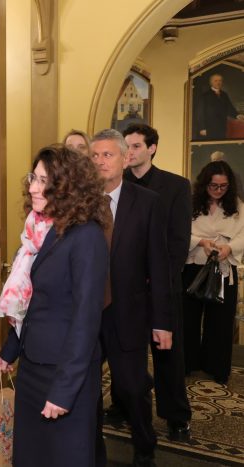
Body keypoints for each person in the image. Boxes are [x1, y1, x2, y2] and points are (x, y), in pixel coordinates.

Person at [0, 145, 110, 466]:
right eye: (33, 178)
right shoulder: (39, 230)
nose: (32, 187)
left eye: (43, 180)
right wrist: (11, 349)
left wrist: (64, 390)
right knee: (30, 456)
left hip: (66, 374)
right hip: (32, 368)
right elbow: (32, 299)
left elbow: (86, 320)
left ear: (67, 186)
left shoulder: (87, 237)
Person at [91, 129, 171, 467]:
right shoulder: (80, 202)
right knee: (86, 390)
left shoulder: (147, 202)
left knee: (132, 388)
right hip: (87, 314)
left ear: (125, 158)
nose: (100, 161)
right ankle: (92, 451)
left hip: (128, 312)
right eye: (94, 156)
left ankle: (144, 448)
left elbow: (159, 264)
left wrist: (162, 322)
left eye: (107, 154)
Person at [120, 124, 192, 441]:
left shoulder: (176, 186)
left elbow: (179, 241)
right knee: (125, 352)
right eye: (126, 146)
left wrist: (157, 279)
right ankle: (123, 406)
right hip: (126, 288)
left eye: (136, 146)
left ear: (152, 148)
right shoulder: (117, 183)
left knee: (168, 356)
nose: (130, 152)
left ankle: (176, 416)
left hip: (163, 287)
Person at [183, 160, 244, 385]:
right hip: (193, 266)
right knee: (188, 318)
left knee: (220, 320)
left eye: (223, 186)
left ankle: (216, 366)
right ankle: (187, 363)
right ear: (204, 184)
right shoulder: (189, 203)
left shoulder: (237, 205)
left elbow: (243, 234)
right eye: (213, 186)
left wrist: (229, 248)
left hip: (224, 268)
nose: (218, 190)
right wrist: (201, 242)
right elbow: (178, 231)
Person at [194, 73, 244, 140]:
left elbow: (229, 108)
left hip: (222, 126)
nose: (218, 82)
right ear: (211, 82)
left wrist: (237, 115)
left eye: (220, 80)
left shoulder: (224, 94)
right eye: (216, 81)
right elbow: (200, 113)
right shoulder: (205, 96)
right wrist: (202, 128)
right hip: (208, 128)